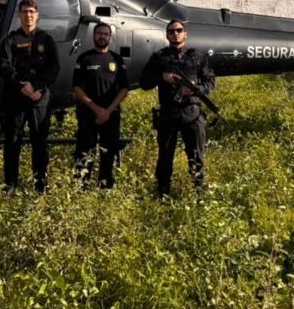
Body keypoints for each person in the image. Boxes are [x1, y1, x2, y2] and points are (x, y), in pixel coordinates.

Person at [140, 19, 215, 197]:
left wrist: (195, 89)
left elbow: (210, 82)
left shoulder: (198, 56)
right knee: (165, 157)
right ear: (167, 35)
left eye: (179, 30)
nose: (175, 34)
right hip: (168, 114)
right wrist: (162, 77)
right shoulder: (159, 57)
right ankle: (162, 195)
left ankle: (198, 195)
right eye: (171, 31)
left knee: (196, 157)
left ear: (185, 34)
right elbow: (145, 82)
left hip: (192, 113)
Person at [0, 0, 59, 193]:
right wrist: (20, 85)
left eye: (31, 11)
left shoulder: (46, 40)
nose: (28, 15)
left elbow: (53, 67)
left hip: (39, 99)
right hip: (16, 98)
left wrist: (36, 87)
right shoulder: (11, 40)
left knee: (39, 142)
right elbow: (4, 66)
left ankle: (40, 185)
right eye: (24, 11)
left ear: (37, 15)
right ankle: (11, 185)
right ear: (19, 15)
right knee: (12, 141)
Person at [71, 22, 129, 188]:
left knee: (109, 153)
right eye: (99, 33)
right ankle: (80, 189)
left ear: (110, 37)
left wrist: (107, 111)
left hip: (111, 115)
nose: (102, 36)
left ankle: (105, 188)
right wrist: (97, 110)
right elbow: (76, 88)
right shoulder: (84, 58)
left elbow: (124, 88)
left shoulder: (117, 59)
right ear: (94, 36)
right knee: (84, 152)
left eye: (105, 34)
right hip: (88, 114)